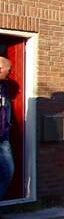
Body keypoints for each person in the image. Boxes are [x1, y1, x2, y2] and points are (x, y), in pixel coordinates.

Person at [0, 56, 13, 198]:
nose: (10, 73)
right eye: (9, 70)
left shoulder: (4, 87)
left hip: (3, 137)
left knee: (8, 171)